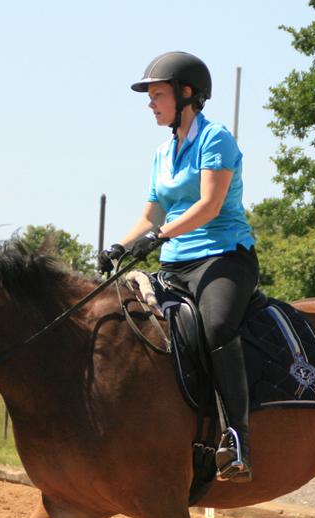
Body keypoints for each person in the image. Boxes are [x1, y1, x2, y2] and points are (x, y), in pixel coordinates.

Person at [98, 51, 258, 483]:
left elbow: (209, 206)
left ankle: (237, 437)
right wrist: (119, 246)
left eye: (158, 95)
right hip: (174, 263)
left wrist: (159, 236)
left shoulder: (216, 139)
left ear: (186, 94)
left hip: (223, 257)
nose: (151, 104)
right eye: (149, 97)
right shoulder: (162, 153)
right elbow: (151, 214)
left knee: (217, 327)